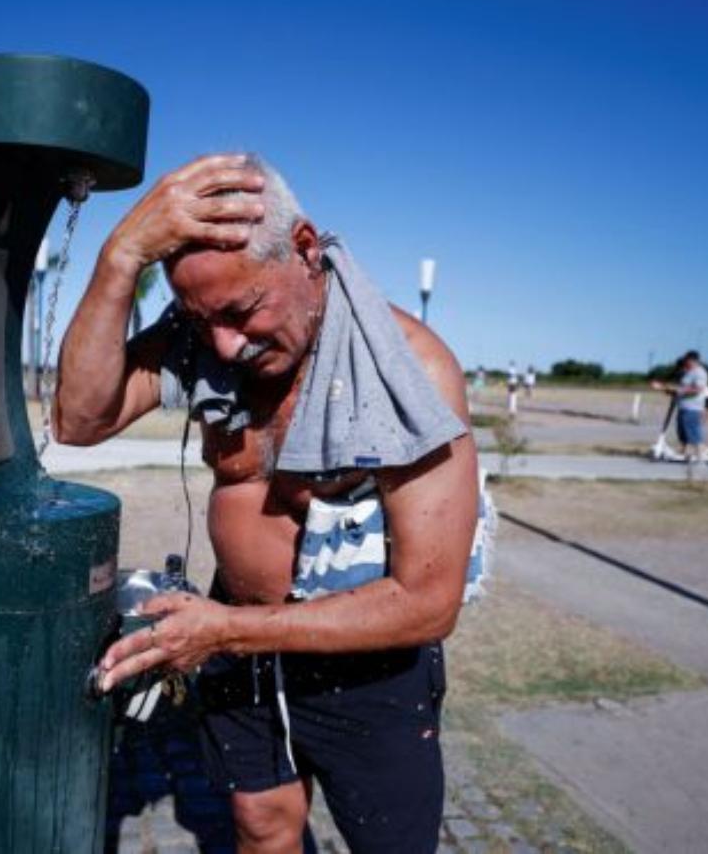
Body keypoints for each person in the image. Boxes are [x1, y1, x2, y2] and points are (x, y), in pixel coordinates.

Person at [55, 153, 479, 853]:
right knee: (260, 825)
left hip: (364, 668)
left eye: (242, 310)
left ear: (306, 249)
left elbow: (431, 600)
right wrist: (121, 253)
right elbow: (77, 417)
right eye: (201, 318)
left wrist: (222, 632)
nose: (225, 343)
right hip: (238, 638)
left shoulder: (412, 368)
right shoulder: (207, 340)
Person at [651, 350, 708, 461]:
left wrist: (672, 389)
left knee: (692, 431)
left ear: (693, 360)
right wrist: (665, 389)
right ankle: (685, 452)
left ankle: (701, 454)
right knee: (682, 431)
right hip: (683, 406)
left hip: (693, 407)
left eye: (686, 360)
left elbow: (697, 389)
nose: (685, 362)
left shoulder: (700, 372)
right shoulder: (688, 372)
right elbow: (680, 389)